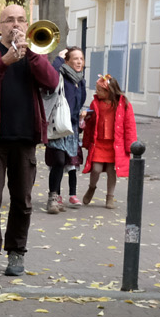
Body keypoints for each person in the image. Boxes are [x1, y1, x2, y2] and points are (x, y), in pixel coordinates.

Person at [0, 5, 59, 280]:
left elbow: (52, 81)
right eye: (9, 20)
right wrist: (4, 61)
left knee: (23, 201)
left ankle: (16, 252)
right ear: (0, 24)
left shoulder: (35, 51)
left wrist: (29, 52)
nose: (15, 24)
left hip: (25, 138)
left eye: (20, 19)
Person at [79, 73, 136, 209]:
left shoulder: (124, 104)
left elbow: (130, 126)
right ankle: (92, 187)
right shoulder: (95, 103)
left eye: (99, 90)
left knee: (112, 171)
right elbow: (91, 123)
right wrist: (85, 118)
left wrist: (131, 146)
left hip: (114, 144)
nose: (96, 92)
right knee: (96, 169)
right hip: (99, 142)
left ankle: (110, 197)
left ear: (108, 91)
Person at [45, 47, 87, 213]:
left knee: (69, 162)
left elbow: (79, 101)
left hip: (72, 127)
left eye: (81, 59)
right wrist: (57, 60)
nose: (78, 62)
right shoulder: (60, 74)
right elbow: (50, 77)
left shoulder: (80, 80)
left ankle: (61, 195)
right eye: (75, 58)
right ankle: (53, 197)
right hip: (58, 124)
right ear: (67, 61)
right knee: (59, 161)